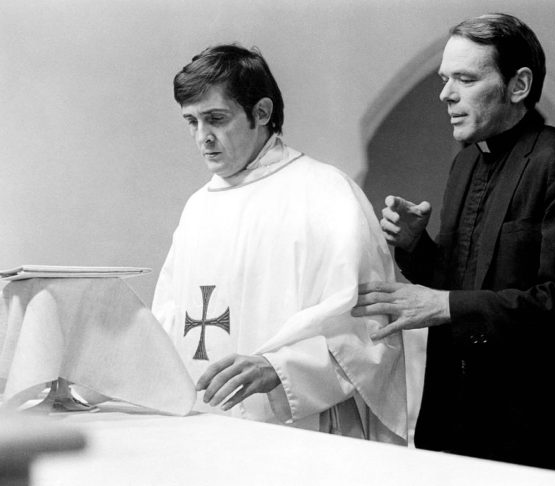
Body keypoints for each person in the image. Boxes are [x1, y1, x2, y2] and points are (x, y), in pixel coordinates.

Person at [353, 13, 555, 473]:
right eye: (444, 79)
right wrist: (417, 247)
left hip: (538, 440)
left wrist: (446, 306)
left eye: (465, 79)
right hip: (454, 431)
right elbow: (464, 283)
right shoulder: (466, 164)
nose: (445, 94)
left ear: (519, 85)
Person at [152, 44, 407, 444]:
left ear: (262, 113)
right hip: (201, 430)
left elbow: (368, 326)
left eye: (216, 118)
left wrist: (281, 368)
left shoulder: (326, 194)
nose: (203, 137)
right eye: (191, 122)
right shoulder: (198, 208)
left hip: (299, 428)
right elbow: (169, 320)